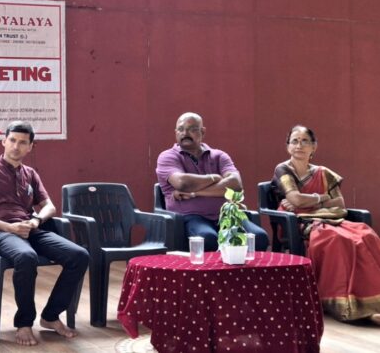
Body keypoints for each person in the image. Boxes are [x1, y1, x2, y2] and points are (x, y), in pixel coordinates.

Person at [0, 120, 89, 346]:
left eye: (23, 142)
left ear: (31, 147)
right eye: (12, 140)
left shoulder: (30, 173)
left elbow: (49, 206)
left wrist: (35, 221)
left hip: (30, 228)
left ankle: (50, 316)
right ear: (3, 141)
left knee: (79, 255)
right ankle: (24, 323)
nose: (16, 146)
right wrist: (9, 227)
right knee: (26, 257)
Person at [272, 125, 380, 325]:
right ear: (288, 147)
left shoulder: (323, 173)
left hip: (331, 218)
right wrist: (322, 198)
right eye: (294, 141)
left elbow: (339, 203)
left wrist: (310, 200)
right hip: (298, 221)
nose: (299, 145)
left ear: (314, 147)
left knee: (366, 235)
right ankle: (345, 306)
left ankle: (372, 302)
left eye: (305, 141)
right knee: (335, 239)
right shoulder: (283, 169)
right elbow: (295, 200)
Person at [156, 112, 269, 252]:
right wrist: (214, 178)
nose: (185, 133)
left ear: (202, 132)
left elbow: (235, 185)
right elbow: (182, 183)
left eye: (192, 129)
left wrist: (194, 193)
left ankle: (240, 267)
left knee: (259, 238)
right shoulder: (167, 156)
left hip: (226, 215)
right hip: (190, 216)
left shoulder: (219, 156)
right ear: (175, 132)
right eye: (180, 129)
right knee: (208, 239)